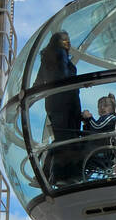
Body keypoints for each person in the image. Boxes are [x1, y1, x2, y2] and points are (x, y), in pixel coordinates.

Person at [33, 30, 81, 182]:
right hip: (66, 102)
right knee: (68, 138)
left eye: (68, 40)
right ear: (57, 42)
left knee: (63, 138)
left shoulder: (47, 59)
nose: (68, 43)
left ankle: (49, 174)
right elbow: (65, 78)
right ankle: (62, 175)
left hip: (56, 102)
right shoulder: (60, 55)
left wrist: (32, 97)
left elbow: (39, 81)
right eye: (64, 40)